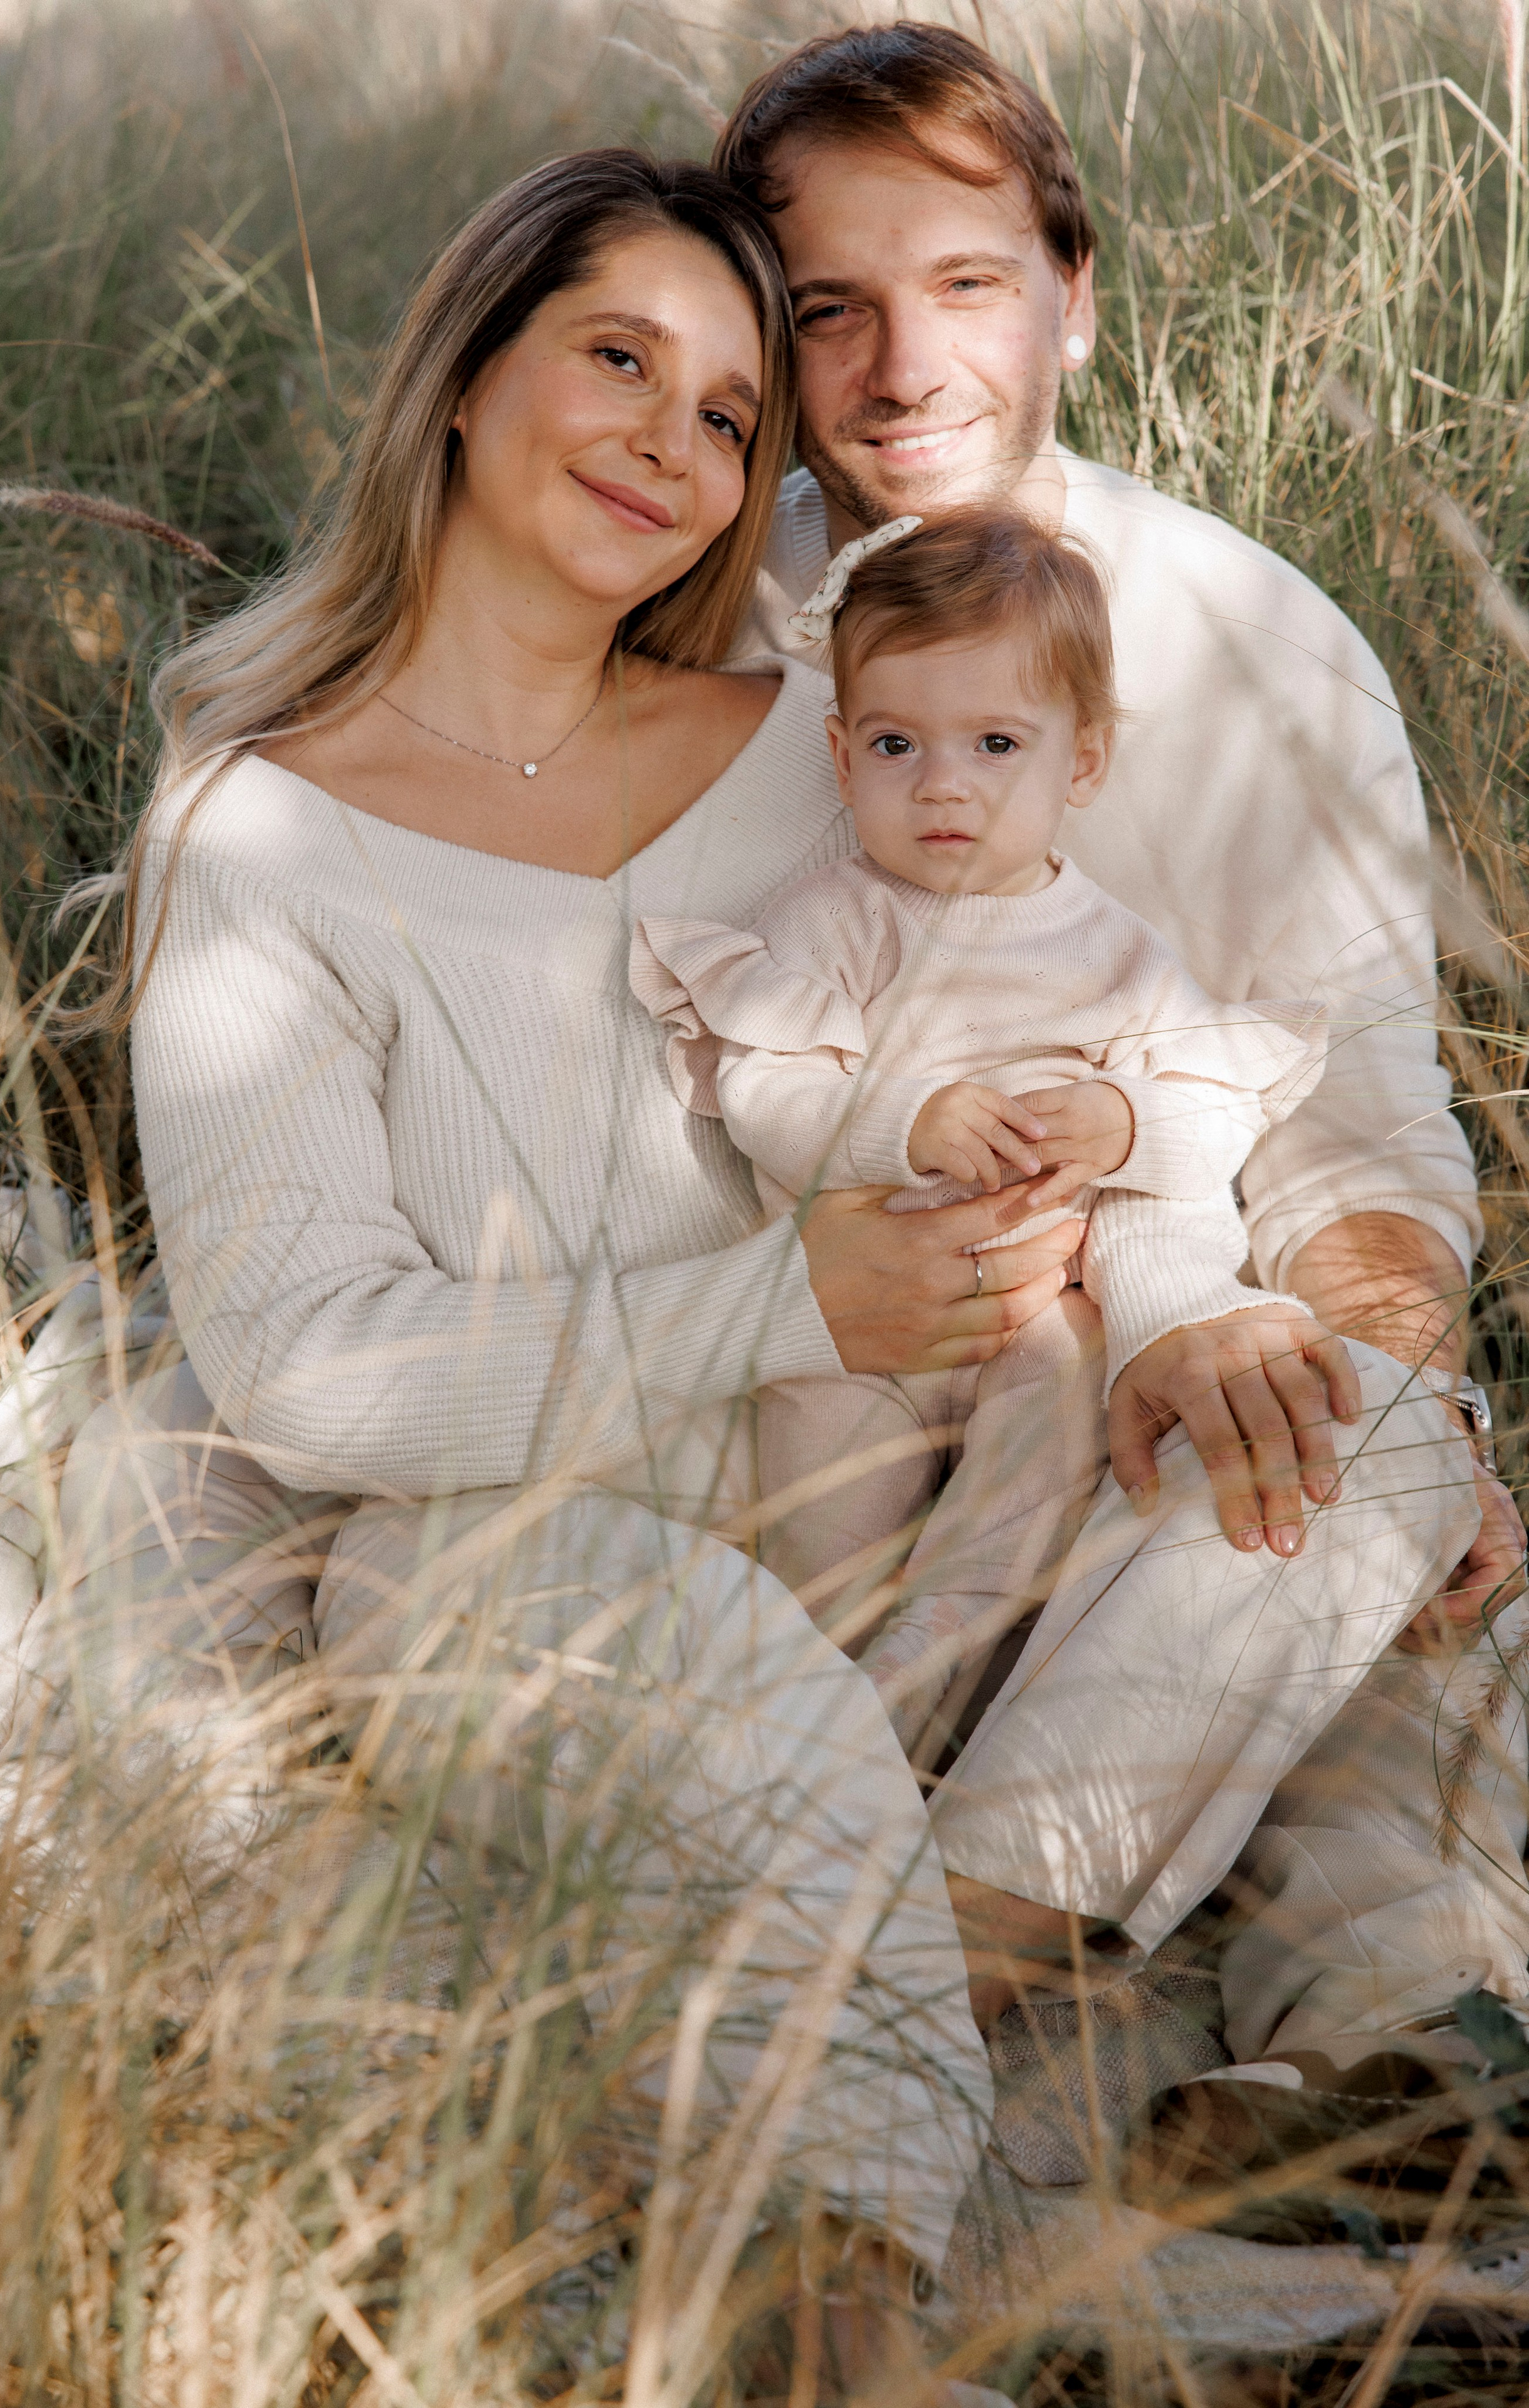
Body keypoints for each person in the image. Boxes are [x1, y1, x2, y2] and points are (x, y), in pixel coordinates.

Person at [712, 21, 1529, 2085]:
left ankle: (1371, 2062)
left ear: (1073, 292)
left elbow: (1359, 1123)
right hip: (789, 1390)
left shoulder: (1256, 646)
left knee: (1375, 1467)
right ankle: (889, 2026)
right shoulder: (684, 613)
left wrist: (1343, 1374)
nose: (905, 370)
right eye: (831, 310)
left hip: (1134, 1388)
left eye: (967, 285)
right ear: (767, 341)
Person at [633, 507, 1328, 1770]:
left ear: (1083, 762)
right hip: (852, 1332)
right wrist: (905, 1122)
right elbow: (768, 1092)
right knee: (819, 1544)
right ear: (841, 756)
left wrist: (1122, 1123)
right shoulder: (835, 921)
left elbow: (1211, 1115)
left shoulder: (1120, 955)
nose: (941, 784)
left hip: (1032, 1322)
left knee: (1045, 1439)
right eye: (895, 744)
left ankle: (930, 1669)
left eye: (996, 744)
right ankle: (809, 1719)